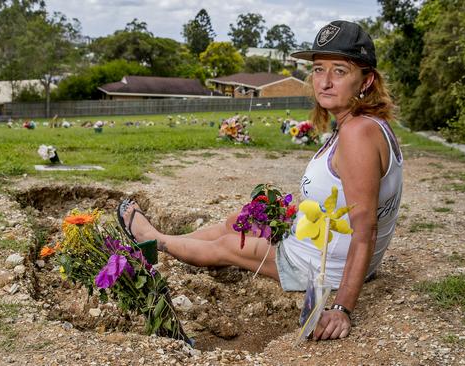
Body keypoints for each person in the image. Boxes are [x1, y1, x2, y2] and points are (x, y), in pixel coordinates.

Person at [118, 20, 403, 341]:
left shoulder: (358, 133)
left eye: (340, 70)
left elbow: (365, 229)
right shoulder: (364, 125)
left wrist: (342, 307)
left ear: (366, 81)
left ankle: (155, 241)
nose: (324, 81)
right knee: (236, 223)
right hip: (321, 245)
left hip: (322, 265)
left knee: (229, 245)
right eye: (319, 69)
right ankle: (170, 241)